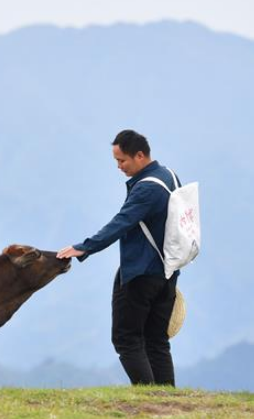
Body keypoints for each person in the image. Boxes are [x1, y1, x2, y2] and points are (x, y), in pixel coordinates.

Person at [57, 129, 180, 386]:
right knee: (157, 340)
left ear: (139, 155)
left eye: (122, 160)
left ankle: (150, 397)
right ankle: (169, 399)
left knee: (127, 339)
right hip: (167, 272)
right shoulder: (169, 176)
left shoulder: (146, 188)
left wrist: (85, 247)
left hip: (140, 273)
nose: (119, 167)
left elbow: (122, 222)